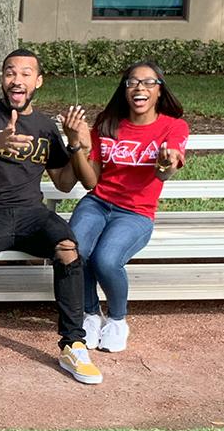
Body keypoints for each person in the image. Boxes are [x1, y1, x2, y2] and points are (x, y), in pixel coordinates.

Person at [0, 48, 103, 386]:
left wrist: (73, 144)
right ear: (2, 79)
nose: (17, 79)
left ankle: (73, 344)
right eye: (10, 72)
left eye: (25, 74)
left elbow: (66, 183)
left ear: (37, 81)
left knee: (68, 246)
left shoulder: (44, 126)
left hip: (32, 214)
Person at [64, 61, 188, 353]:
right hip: (98, 202)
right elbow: (91, 182)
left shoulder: (172, 126)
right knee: (74, 250)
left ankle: (117, 321)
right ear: (124, 90)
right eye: (132, 82)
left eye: (148, 82)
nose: (139, 88)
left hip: (135, 212)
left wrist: (167, 162)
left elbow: (164, 170)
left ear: (160, 90)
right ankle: (91, 314)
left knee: (105, 260)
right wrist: (77, 145)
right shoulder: (107, 124)